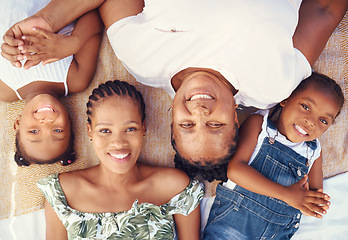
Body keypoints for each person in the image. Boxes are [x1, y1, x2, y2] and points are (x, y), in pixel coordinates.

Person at [2, 0, 348, 180]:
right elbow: (325, 9)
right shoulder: (273, 85)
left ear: (170, 117)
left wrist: (49, 21)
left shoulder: (142, 57)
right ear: (237, 120)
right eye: (215, 125)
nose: (200, 114)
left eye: (187, 125)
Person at [37, 80, 204, 239]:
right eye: (105, 130)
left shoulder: (175, 187)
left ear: (143, 128)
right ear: (90, 131)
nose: (118, 143)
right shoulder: (62, 193)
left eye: (130, 129)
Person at [203, 72, 345, 239]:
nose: (311, 121)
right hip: (234, 225)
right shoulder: (260, 126)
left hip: (277, 233)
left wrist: (315, 202)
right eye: (305, 107)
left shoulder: (313, 151)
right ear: (285, 100)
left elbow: (314, 192)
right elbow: (235, 170)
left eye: (323, 121)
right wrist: (286, 194)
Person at [0, 0, 103, 165]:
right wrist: (74, 42)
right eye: (57, 130)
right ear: (69, 121)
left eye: (34, 131)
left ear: (18, 123)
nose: (46, 123)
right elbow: (94, 15)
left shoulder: (4, 89)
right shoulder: (76, 78)